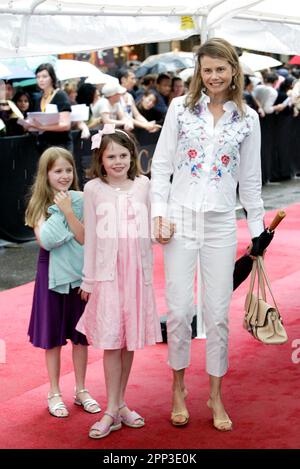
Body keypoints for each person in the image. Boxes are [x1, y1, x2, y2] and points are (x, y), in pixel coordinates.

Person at [150, 37, 265, 431]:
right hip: (180, 220)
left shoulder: (248, 119)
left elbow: (250, 181)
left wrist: (258, 231)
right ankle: (178, 387)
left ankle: (215, 394)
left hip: (219, 223)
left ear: (234, 69)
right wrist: (159, 214)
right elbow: (161, 164)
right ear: (199, 71)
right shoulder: (181, 110)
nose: (214, 76)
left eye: (220, 68)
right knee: (180, 311)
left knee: (217, 316)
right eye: (207, 69)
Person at [76, 124, 162, 439]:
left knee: (128, 340)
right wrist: (88, 280)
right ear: (100, 158)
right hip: (106, 275)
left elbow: (154, 227)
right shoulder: (92, 189)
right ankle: (112, 409)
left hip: (137, 274)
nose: (118, 161)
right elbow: (92, 239)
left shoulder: (144, 185)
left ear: (133, 156)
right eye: (111, 156)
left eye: (123, 155)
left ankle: (120, 403)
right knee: (111, 339)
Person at [25, 146, 100, 418]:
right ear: (46, 174)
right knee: (53, 339)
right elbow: (47, 240)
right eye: (58, 171)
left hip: (80, 276)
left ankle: (81, 390)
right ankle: (54, 392)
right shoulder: (37, 205)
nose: (65, 175)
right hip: (51, 277)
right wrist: (69, 218)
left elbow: (86, 237)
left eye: (68, 170)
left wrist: (68, 213)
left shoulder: (81, 199)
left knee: (81, 338)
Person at [28, 63, 73, 152]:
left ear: (52, 78)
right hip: (44, 145)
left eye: (44, 76)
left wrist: (41, 127)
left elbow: (66, 125)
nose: (41, 80)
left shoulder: (60, 95)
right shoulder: (38, 98)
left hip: (61, 146)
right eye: (38, 77)